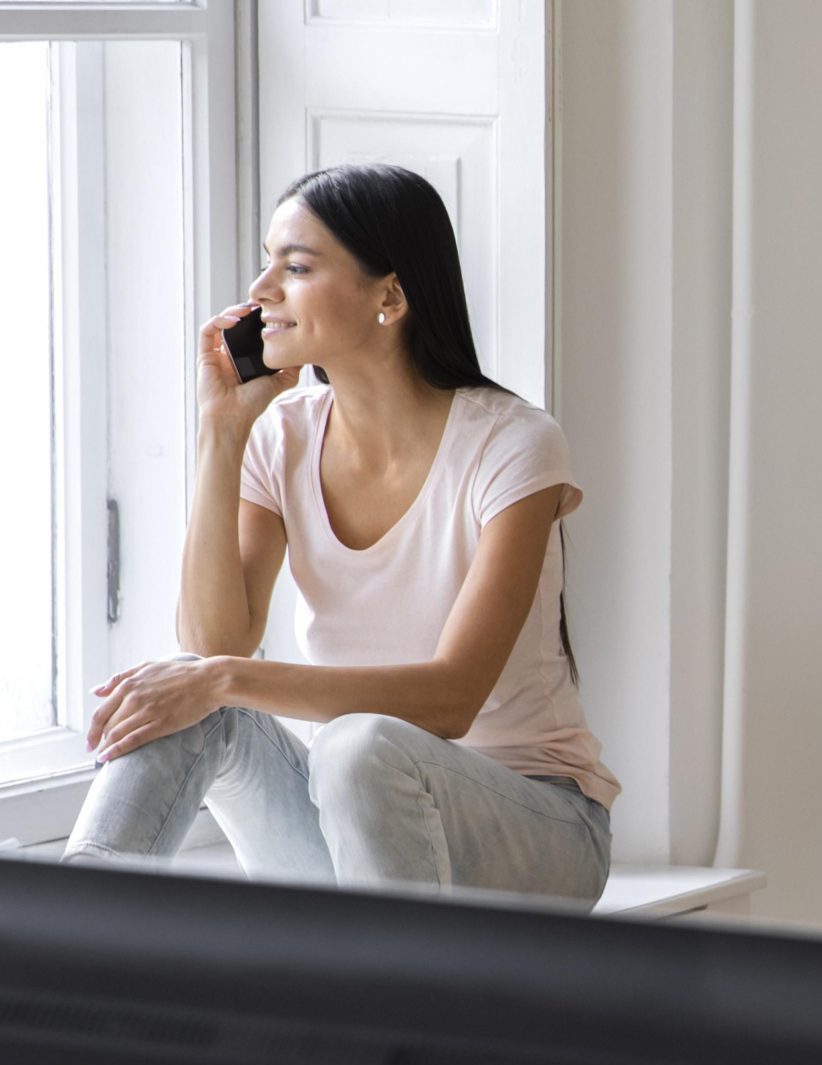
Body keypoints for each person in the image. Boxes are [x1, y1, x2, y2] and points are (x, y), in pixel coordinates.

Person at [62, 164, 616, 904]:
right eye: (267, 263)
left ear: (389, 297)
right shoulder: (283, 437)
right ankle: (68, 930)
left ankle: (385, 984)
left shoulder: (512, 444)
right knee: (186, 695)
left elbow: (452, 698)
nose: (261, 290)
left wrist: (219, 677)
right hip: (353, 822)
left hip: (536, 828)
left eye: (295, 267)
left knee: (353, 741)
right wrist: (221, 433)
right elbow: (215, 641)